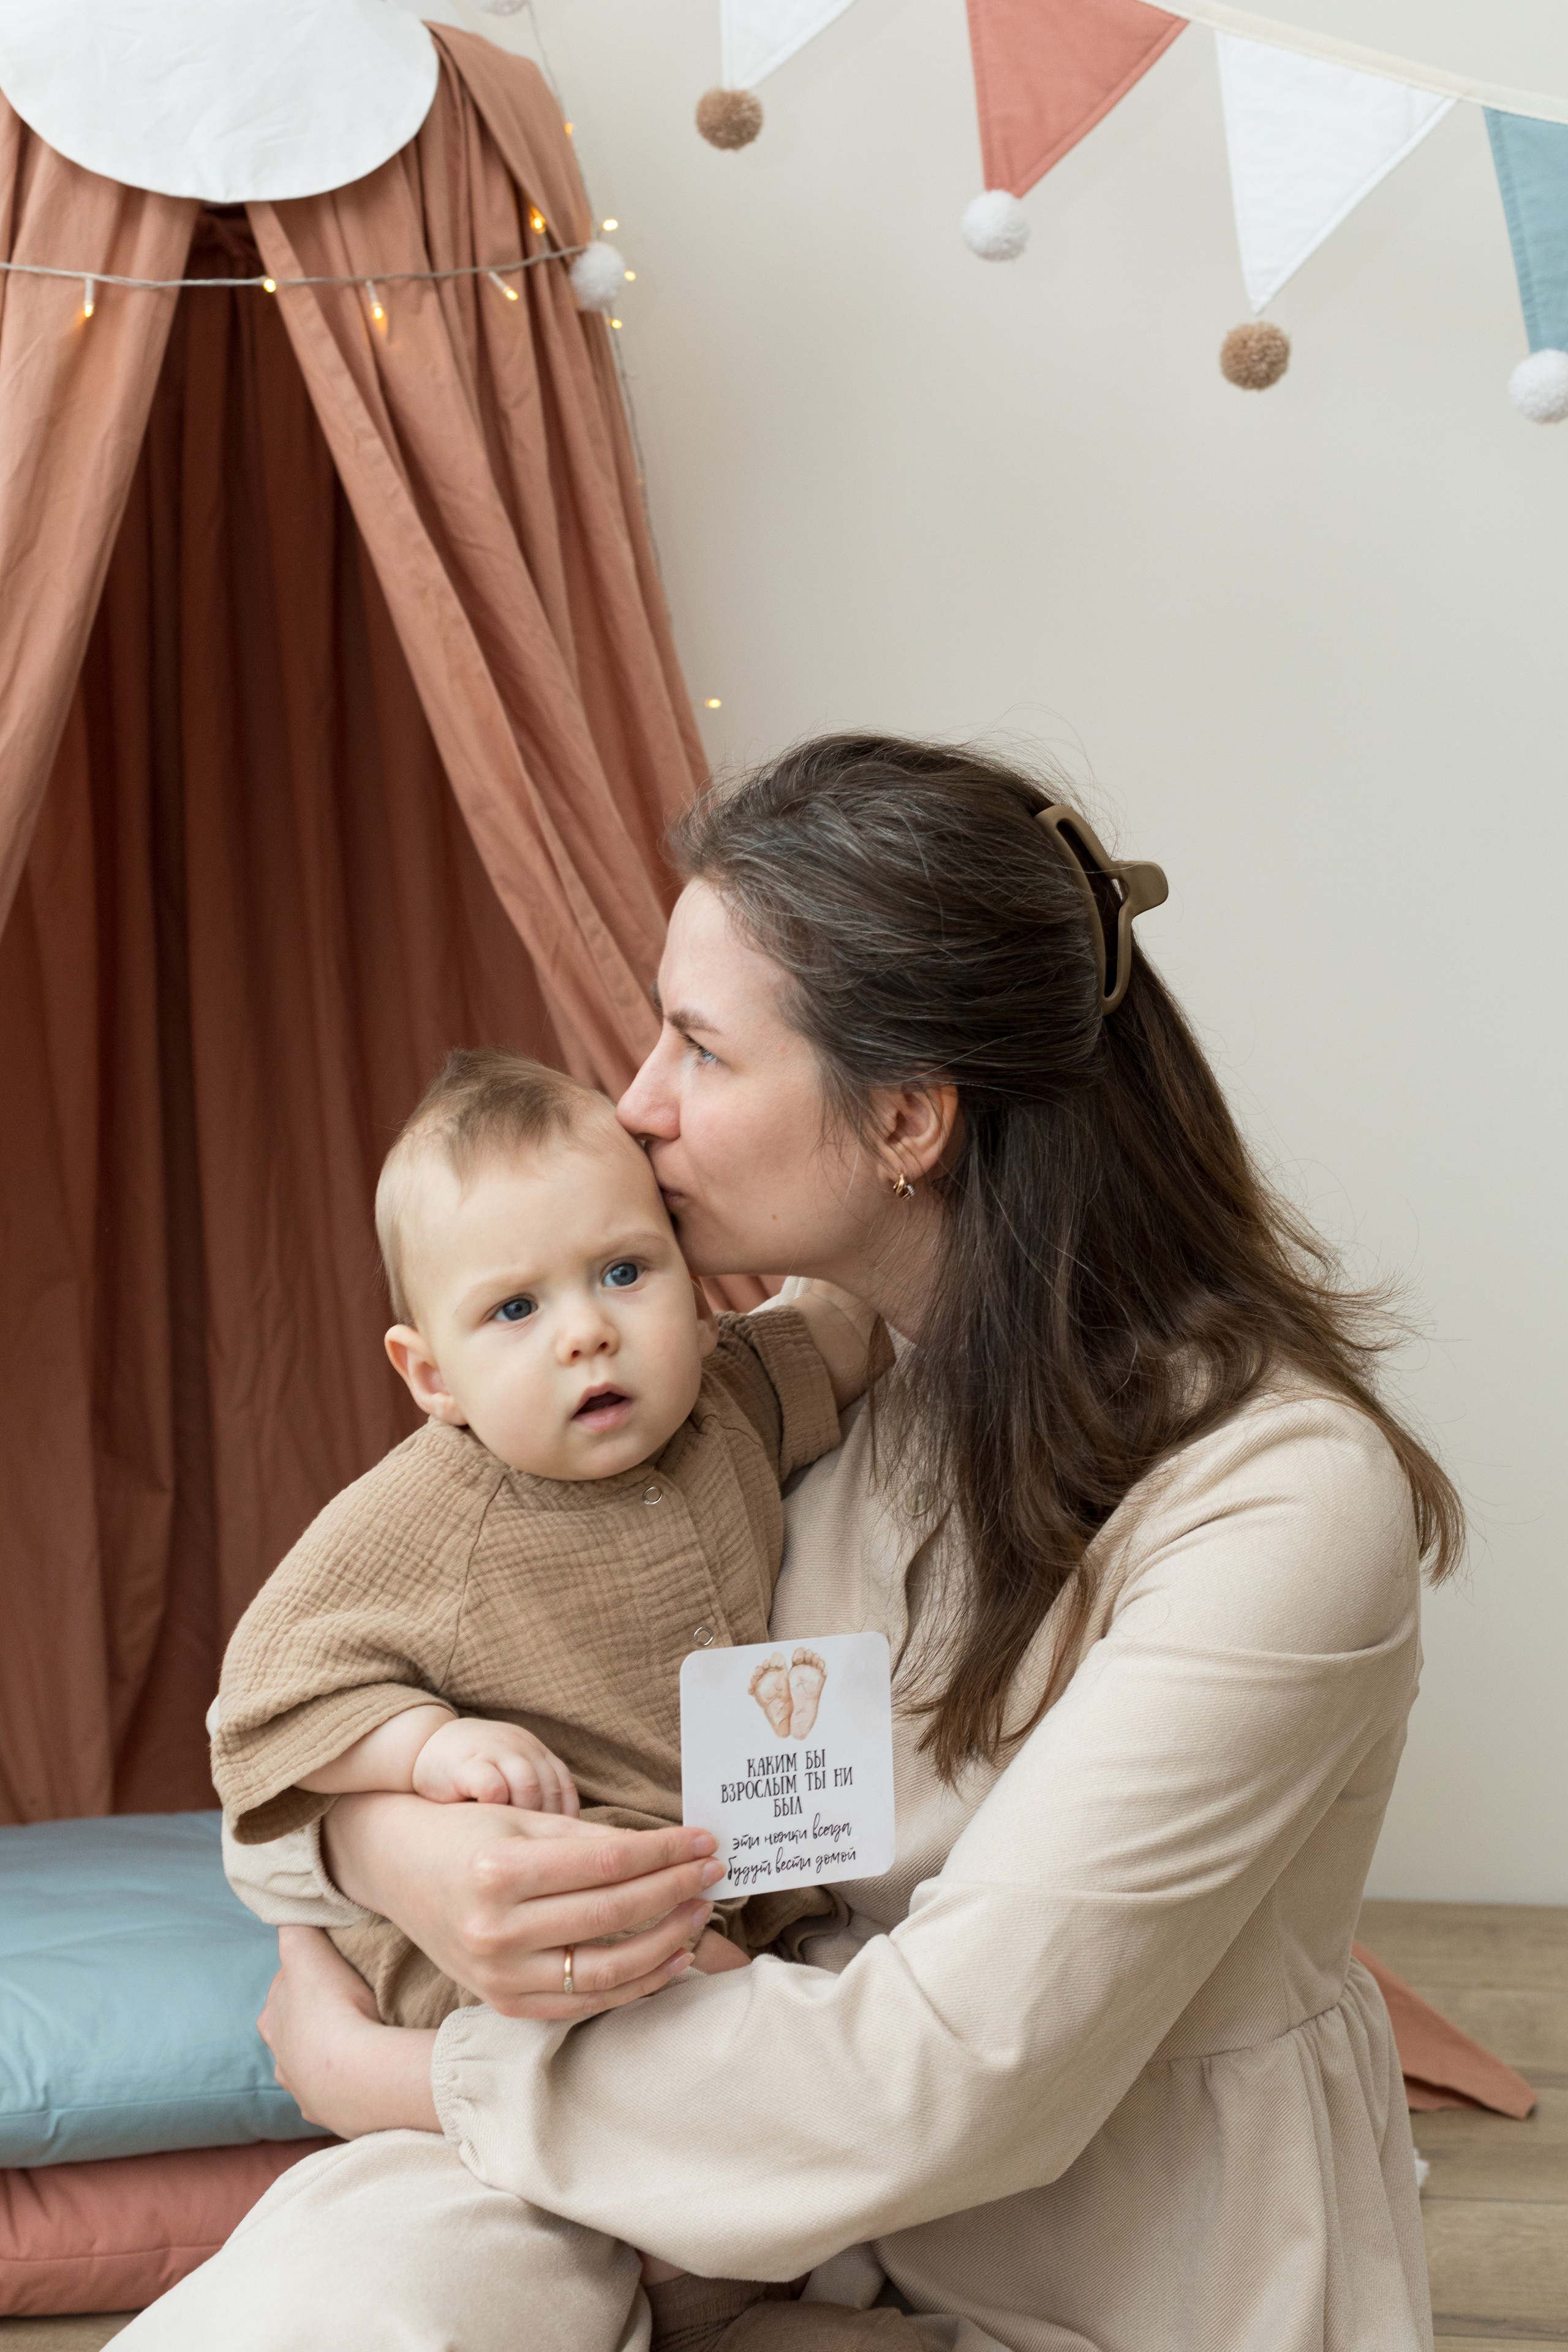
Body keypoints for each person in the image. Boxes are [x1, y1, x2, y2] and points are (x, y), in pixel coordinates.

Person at [122, 735, 1457, 2352]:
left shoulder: (1281, 1509)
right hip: (676, 2182)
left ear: (904, 1118)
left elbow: (945, 2081)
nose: (634, 1106)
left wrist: (400, 2073)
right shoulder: (747, 1393)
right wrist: (393, 1850)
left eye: (698, 1048)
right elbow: (311, 1724)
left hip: (1067, 2276)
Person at [211, 1047, 876, 2029]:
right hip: (530, 1915)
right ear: (432, 1376)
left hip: (728, 1863)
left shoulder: (734, 1392)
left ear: (697, 1296)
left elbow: (855, 1322)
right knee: (713, 1995)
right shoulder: (424, 1515)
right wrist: (430, 1747)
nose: (587, 1332)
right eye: (516, 1309)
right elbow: (264, 1703)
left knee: (751, 1978)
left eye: (623, 1272)